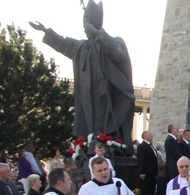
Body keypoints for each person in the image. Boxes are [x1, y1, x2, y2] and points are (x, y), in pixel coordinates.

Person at [30, 0, 135, 152]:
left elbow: (119, 54)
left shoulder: (112, 41)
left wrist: (98, 34)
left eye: (87, 24)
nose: (84, 28)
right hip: (87, 97)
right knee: (89, 124)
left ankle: (109, 144)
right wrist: (46, 31)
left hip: (106, 96)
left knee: (105, 123)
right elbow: (64, 44)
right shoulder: (82, 47)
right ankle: (89, 145)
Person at [137, 130, 159, 195]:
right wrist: (142, 172)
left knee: (151, 189)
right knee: (145, 190)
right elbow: (141, 160)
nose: (151, 136)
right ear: (144, 136)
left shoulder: (150, 146)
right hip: (146, 172)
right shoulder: (142, 146)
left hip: (152, 172)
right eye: (149, 134)